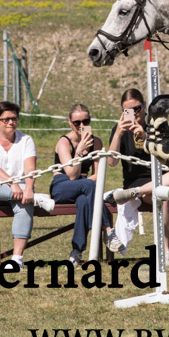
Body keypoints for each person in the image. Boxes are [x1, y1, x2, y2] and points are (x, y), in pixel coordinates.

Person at [107, 89, 169, 260]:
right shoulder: (119, 131)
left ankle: (136, 192)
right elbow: (112, 162)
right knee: (162, 196)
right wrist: (118, 134)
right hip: (137, 180)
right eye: (128, 111)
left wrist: (146, 136)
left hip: (163, 177)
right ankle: (166, 251)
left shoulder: (156, 126)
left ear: (144, 105)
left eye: (137, 108)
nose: (134, 114)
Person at [0, 102, 53, 267]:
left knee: (25, 204)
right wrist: (13, 183)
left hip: (19, 193)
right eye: (6, 119)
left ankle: (17, 260)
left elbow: (30, 169)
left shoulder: (26, 140)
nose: (11, 122)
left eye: (14, 119)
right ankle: (36, 198)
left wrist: (29, 188)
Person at [52, 104, 124, 263]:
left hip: (84, 187)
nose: (81, 125)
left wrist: (85, 183)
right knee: (89, 186)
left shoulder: (96, 142)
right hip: (62, 186)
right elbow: (71, 176)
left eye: (85, 121)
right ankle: (108, 231)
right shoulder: (64, 142)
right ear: (70, 122)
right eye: (77, 122)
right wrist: (79, 151)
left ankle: (76, 252)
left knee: (85, 201)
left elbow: (98, 175)